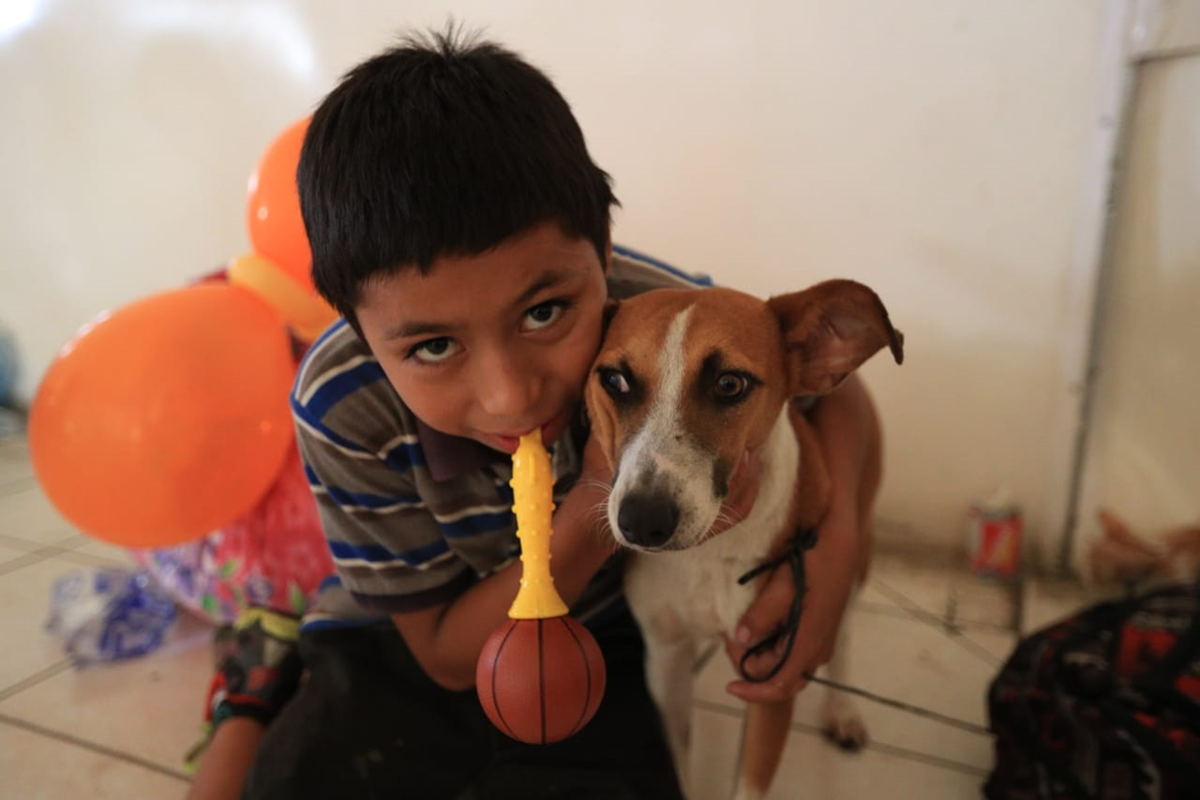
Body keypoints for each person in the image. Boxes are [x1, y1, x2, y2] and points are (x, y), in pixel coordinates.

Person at [188, 26, 874, 799]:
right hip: (416, 632)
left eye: (545, 312)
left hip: (602, 624)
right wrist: (590, 506)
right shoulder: (342, 405)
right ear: (353, 324)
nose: (512, 395)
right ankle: (256, 676)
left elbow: (836, 385)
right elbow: (446, 656)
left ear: (603, 253)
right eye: (434, 346)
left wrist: (838, 539)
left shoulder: (646, 309)